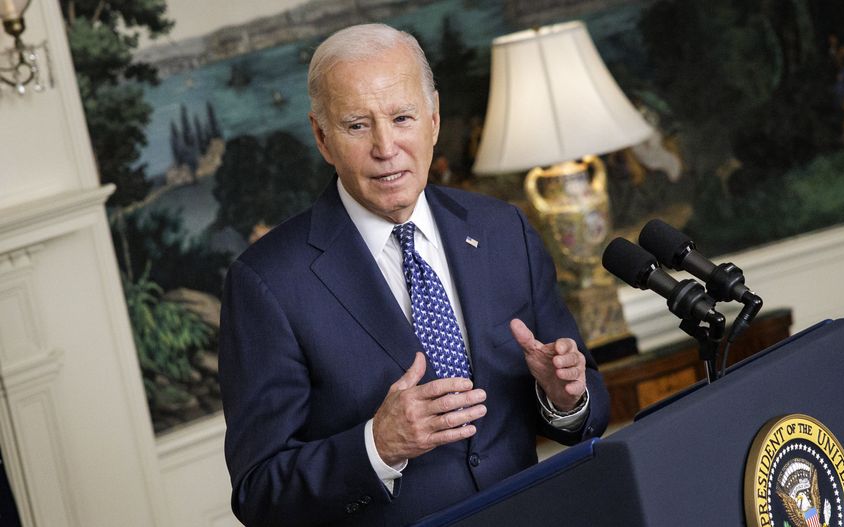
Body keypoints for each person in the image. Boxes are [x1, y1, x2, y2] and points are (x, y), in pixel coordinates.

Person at [218, 23, 610, 527]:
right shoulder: (267, 282)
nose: (386, 147)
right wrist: (377, 447)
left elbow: (587, 404)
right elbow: (259, 493)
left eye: (402, 118)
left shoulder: (501, 230)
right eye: (357, 125)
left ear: (434, 119)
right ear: (322, 137)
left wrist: (564, 398)